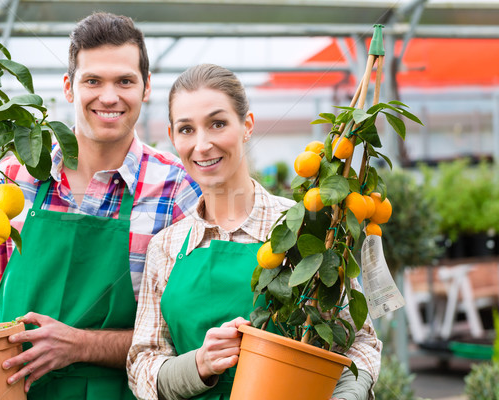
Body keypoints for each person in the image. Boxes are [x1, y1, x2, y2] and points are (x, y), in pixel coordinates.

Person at [0, 12, 201, 400]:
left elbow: (177, 335)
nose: (109, 97)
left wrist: (80, 344)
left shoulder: (178, 190)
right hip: (10, 390)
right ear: (69, 88)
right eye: (93, 80)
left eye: (125, 81)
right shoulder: (15, 176)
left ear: (145, 89)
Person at [127, 64, 382, 400]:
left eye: (217, 124)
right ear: (173, 137)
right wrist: (199, 364)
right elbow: (141, 361)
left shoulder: (305, 228)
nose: (202, 145)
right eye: (187, 130)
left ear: (247, 126)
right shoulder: (166, 246)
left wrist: (346, 395)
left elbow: (361, 341)